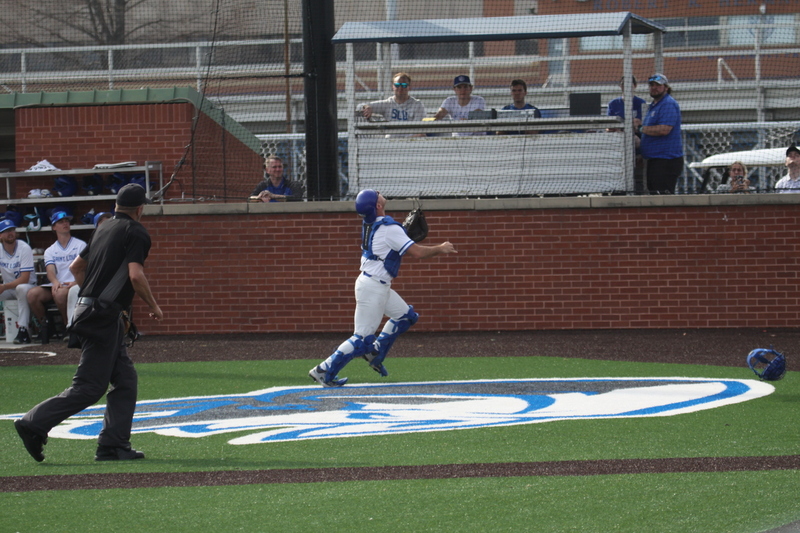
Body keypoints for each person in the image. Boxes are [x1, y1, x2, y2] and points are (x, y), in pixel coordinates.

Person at [14, 183, 163, 463]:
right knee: (89, 387)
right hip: (102, 317)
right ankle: (33, 423)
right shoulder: (136, 231)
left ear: (116, 206)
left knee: (125, 379)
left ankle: (113, 445)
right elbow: (135, 275)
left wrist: (96, 297)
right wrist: (153, 306)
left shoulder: (103, 228)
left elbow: (76, 268)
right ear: (140, 209)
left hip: (91, 311)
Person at [309, 190, 457, 387]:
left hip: (377, 285)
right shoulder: (389, 228)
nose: (379, 193)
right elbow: (418, 253)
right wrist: (441, 248)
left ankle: (375, 353)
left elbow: (389, 244)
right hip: (373, 288)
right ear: (378, 206)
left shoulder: (372, 222)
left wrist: (402, 234)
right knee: (361, 339)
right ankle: (323, 370)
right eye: (376, 195)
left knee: (406, 317)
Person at [25, 211, 86, 344]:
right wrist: (55, 282)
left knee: (60, 294)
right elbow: (50, 270)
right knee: (32, 294)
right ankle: (46, 326)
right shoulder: (50, 250)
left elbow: (84, 268)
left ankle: (67, 326)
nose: (65, 223)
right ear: (54, 227)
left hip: (75, 283)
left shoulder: (80, 245)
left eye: (67, 221)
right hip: (59, 284)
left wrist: (76, 282)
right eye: (61, 222)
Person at [640, 73, 683, 194]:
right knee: (654, 193)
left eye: (658, 85)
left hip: (666, 160)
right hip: (655, 159)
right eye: (651, 85)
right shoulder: (654, 106)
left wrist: (640, 128)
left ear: (666, 87)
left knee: (663, 196)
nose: (654, 88)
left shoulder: (668, 104)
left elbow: (664, 129)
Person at [607, 76, 648, 192]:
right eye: (624, 84)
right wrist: (625, 128)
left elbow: (639, 124)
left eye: (630, 84)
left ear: (635, 86)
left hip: (635, 143)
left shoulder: (640, 103)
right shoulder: (613, 104)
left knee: (636, 140)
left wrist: (624, 127)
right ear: (620, 86)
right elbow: (609, 126)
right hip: (617, 143)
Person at [0, 219, 36, 344]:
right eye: (6, 231)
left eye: (12, 230)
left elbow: (25, 278)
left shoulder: (24, 248)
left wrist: (4, 286)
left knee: (21, 288)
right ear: (0, 235)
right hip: (8, 288)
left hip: (29, 287)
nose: (10, 233)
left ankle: (23, 329)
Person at [359, 72, 426, 124]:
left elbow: (419, 130)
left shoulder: (417, 105)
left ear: (409, 87)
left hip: (410, 137)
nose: (400, 88)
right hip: (390, 137)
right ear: (393, 87)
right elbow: (360, 106)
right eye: (397, 85)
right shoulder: (387, 104)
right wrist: (367, 107)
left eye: (404, 85)